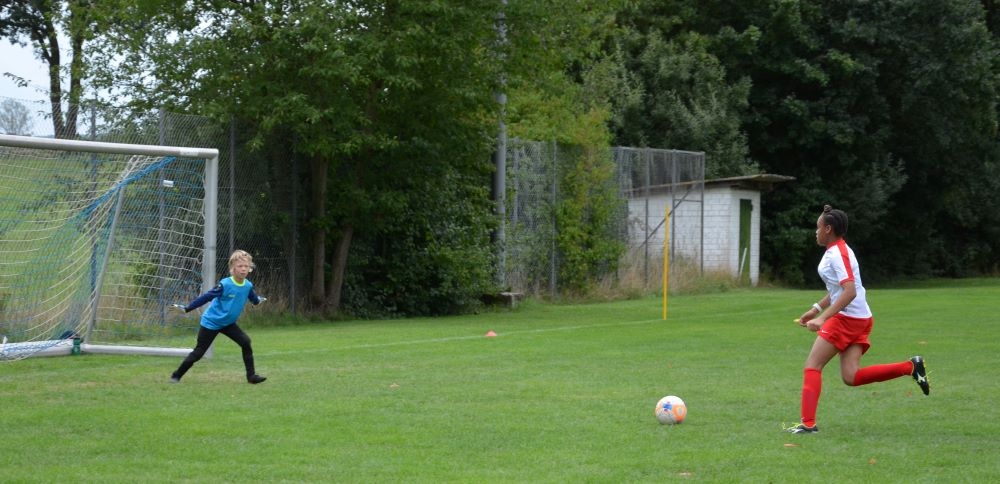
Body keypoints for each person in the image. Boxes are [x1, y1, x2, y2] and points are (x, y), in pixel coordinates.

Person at [786, 205, 929, 434]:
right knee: (851, 377)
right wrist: (815, 309)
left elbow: (850, 291)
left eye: (818, 227)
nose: (816, 232)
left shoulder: (838, 254)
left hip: (847, 319)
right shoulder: (836, 250)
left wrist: (823, 319)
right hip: (859, 318)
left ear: (828, 229)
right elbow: (837, 290)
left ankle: (808, 424)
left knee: (812, 366)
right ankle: (910, 366)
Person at [169, 250, 267, 384]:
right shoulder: (225, 284)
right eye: (240, 266)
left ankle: (251, 377)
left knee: (245, 342)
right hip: (211, 322)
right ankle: (176, 376)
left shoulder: (247, 285)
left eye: (246, 266)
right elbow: (207, 297)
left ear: (250, 268)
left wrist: (258, 301)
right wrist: (187, 308)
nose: (243, 269)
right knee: (199, 353)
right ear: (233, 268)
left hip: (228, 323)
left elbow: (254, 299)